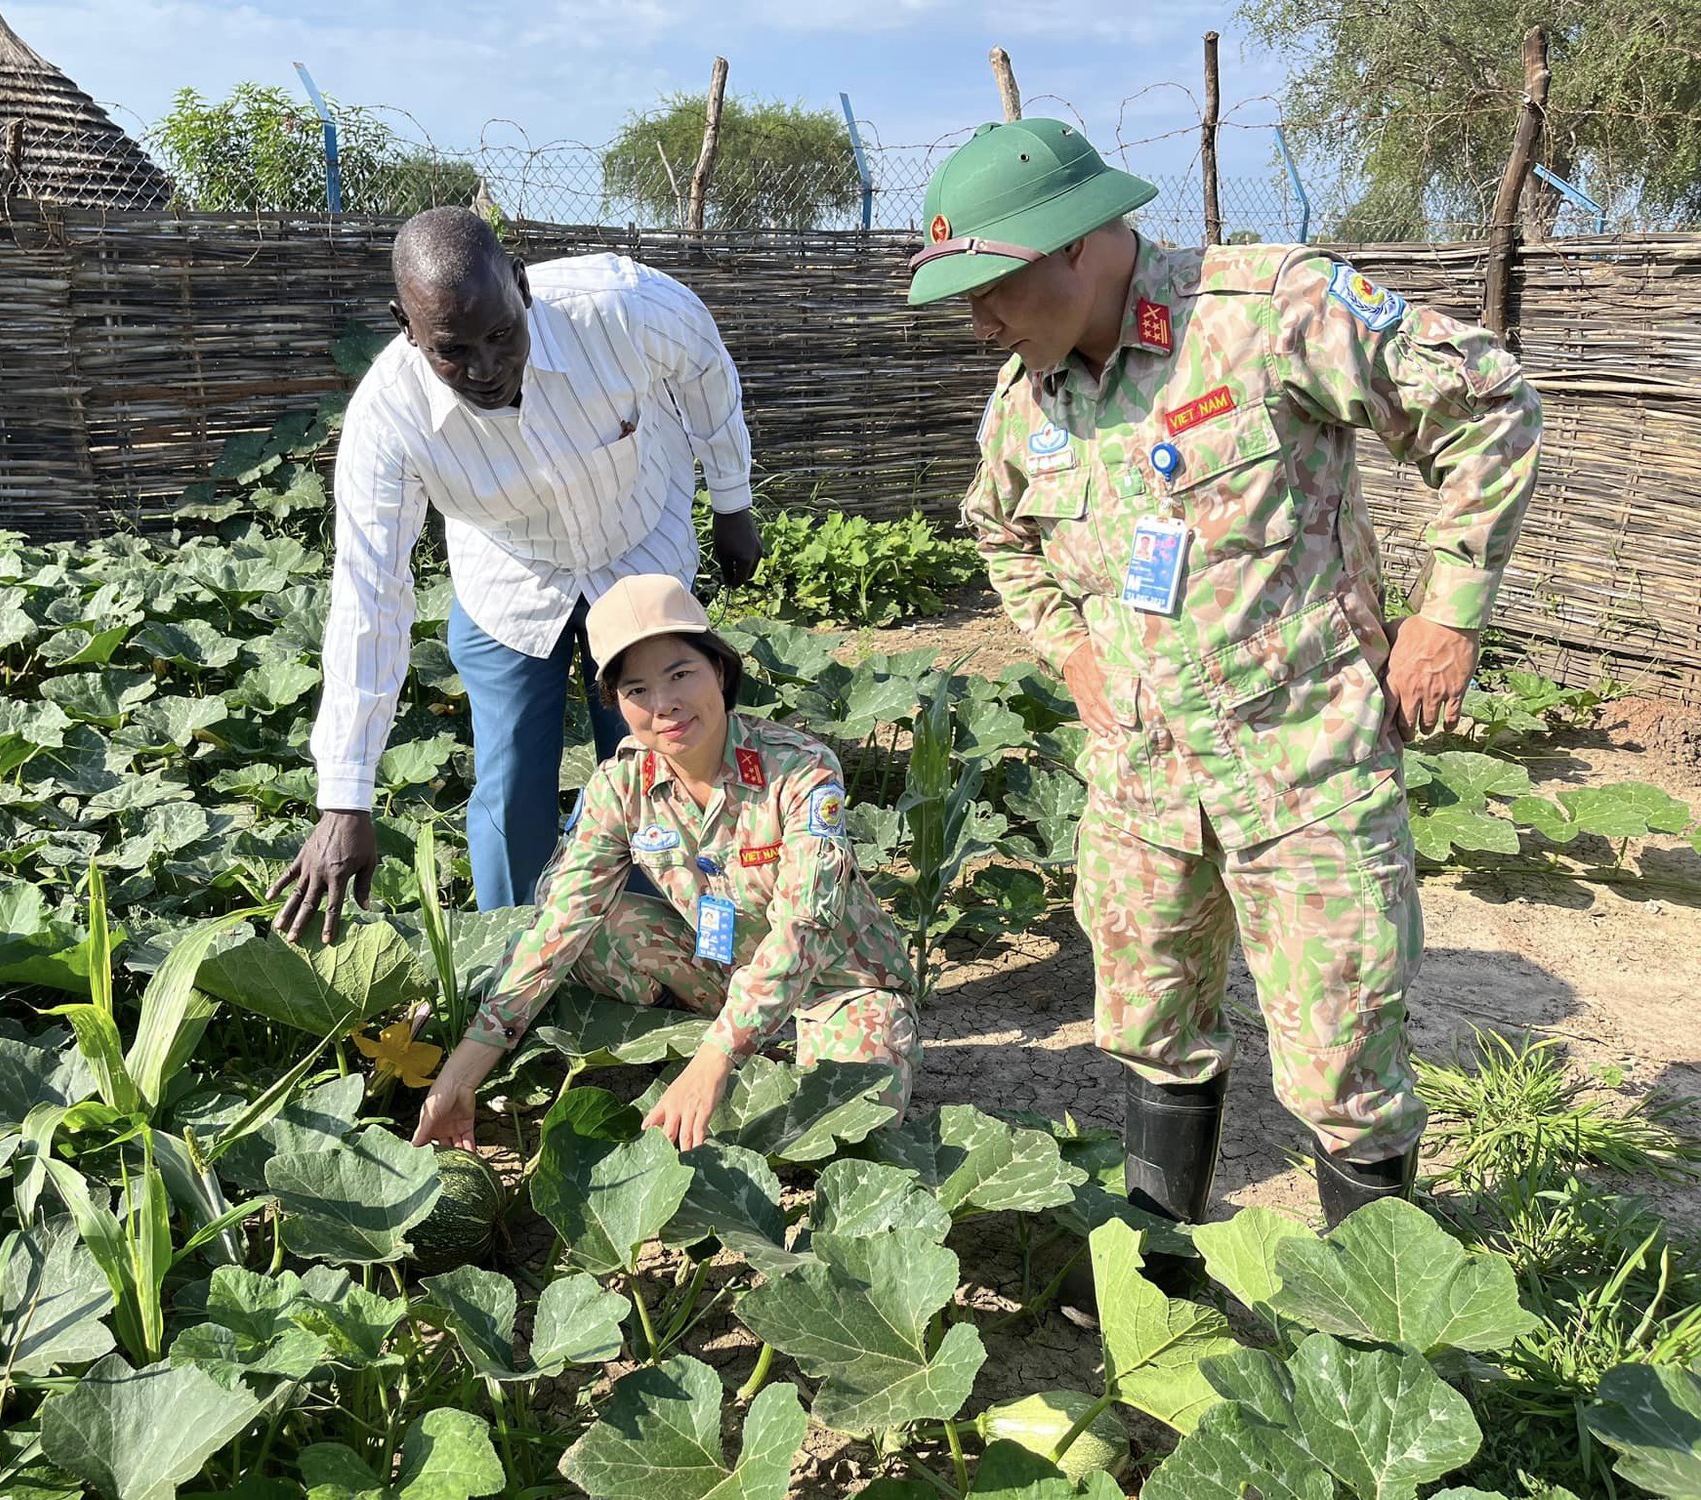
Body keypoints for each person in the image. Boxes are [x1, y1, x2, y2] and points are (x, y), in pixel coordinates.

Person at [907, 120, 1541, 1228]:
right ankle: (1165, 1275)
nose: (976, 320)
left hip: (1303, 764)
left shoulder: (1266, 314)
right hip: (1145, 782)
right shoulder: (1026, 402)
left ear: (1075, 247)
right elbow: (995, 532)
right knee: (1152, 1027)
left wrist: (1449, 610)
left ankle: (1370, 1348)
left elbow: (1485, 402)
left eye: (991, 287)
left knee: (1344, 1057)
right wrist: (1068, 645)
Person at [271, 208, 763, 939]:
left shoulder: (622, 308)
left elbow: (706, 373)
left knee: (661, 759)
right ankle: (518, 959)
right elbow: (370, 593)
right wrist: (346, 797)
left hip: (636, 544)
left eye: (501, 334)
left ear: (522, 287)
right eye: (452, 350)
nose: (486, 368)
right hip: (510, 572)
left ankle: (674, 948)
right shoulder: (389, 418)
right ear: (405, 327)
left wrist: (733, 503)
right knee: (509, 783)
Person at [411, 574, 918, 1153]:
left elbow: (803, 927)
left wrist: (714, 1060)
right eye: (637, 690)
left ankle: (743, 1051)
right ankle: (734, 1046)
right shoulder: (620, 782)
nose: (664, 705)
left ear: (719, 671)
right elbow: (559, 923)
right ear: (617, 704)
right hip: (718, 976)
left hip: (836, 986)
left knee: (848, 1133)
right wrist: (464, 1068)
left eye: (681, 675)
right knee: (595, 926)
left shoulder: (800, 772)